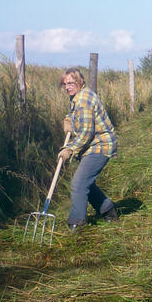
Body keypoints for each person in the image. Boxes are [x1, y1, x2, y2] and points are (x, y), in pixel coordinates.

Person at [58, 68, 118, 231]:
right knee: (86, 183)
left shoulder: (84, 100)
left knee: (79, 183)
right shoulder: (77, 97)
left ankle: (77, 223)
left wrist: (70, 149)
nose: (67, 87)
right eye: (65, 84)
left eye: (71, 83)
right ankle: (108, 210)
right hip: (92, 145)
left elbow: (86, 133)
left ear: (80, 81)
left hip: (101, 145)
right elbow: (76, 116)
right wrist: (68, 120)